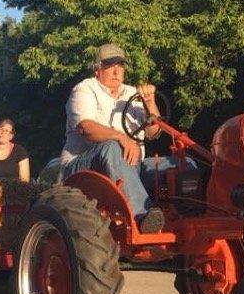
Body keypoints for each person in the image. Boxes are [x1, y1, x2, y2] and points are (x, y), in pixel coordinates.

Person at [59, 42, 179, 234]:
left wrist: (149, 102)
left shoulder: (132, 93)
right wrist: (122, 138)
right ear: (97, 69)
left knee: (180, 164)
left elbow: (153, 132)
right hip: (83, 168)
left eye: (120, 65)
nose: (116, 71)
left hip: (130, 167)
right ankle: (143, 216)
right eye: (110, 65)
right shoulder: (84, 89)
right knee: (112, 147)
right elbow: (86, 127)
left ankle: (187, 223)